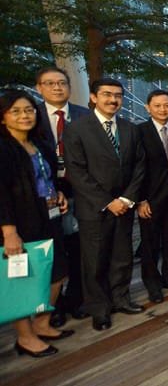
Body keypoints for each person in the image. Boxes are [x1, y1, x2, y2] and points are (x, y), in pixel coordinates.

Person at [63, 78, 146, 331]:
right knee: (95, 260)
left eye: (118, 95)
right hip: (94, 208)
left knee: (122, 256)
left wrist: (126, 199)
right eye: (107, 94)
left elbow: (140, 166)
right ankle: (99, 308)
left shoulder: (130, 128)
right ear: (93, 97)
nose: (113, 100)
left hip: (124, 206)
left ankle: (121, 298)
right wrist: (107, 202)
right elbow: (76, 172)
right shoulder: (77, 129)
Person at [1, 90, 71, 357]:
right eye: (16, 111)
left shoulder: (39, 143)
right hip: (18, 223)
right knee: (22, 279)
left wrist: (60, 193)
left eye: (29, 110)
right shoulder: (4, 148)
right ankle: (25, 337)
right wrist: (9, 231)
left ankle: (41, 323)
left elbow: (49, 178)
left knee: (57, 272)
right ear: (3, 117)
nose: (24, 116)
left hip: (49, 215)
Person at [33, 66, 90, 326]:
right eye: (50, 83)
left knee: (80, 247)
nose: (57, 88)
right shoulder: (30, 116)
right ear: (39, 88)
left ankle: (76, 299)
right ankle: (50, 307)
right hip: (44, 197)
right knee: (53, 253)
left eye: (62, 83)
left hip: (81, 191)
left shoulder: (83, 115)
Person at [137, 90, 168, 304]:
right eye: (157, 106)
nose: (162, 109)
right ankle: (152, 284)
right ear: (148, 108)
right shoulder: (139, 131)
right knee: (150, 243)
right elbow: (135, 168)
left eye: (166, 105)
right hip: (150, 197)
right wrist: (140, 199)